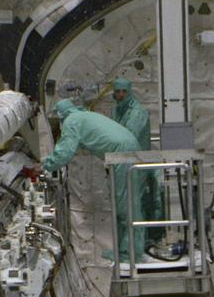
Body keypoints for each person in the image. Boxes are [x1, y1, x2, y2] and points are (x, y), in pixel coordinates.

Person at [43, 98, 144, 261]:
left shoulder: (71, 121)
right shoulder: (85, 115)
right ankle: (123, 250)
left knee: (125, 204)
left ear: (61, 115)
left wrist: (45, 165)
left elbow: (64, 152)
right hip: (127, 148)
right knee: (124, 201)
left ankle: (132, 253)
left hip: (121, 154)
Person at [111, 78, 163, 241]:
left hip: (136, 165)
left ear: (130, 92)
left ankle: (137, 246)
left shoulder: (138, 112)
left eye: (124, 91)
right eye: (117, 91)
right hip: (121, 165)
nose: (120, 95)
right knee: (122, 205)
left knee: (133, 205)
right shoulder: (116, 111)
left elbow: (127, 135)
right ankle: (125, 245)